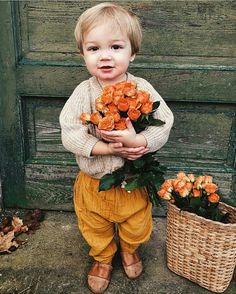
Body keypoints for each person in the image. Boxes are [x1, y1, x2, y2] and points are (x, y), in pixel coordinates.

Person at [59, 2, 174, 293]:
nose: (105, 56)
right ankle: (102, 257)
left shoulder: (142, 88)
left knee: (136, 222)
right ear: (82, 54)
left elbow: (165, 121)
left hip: (133, 180)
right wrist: (107, 149)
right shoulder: (83, 93)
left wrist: (140, 141)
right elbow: (70, 133)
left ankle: (129, 248)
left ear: (132, 53)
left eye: (116, 47)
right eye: (94, 48)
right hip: (94, 181)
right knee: (94, 225)